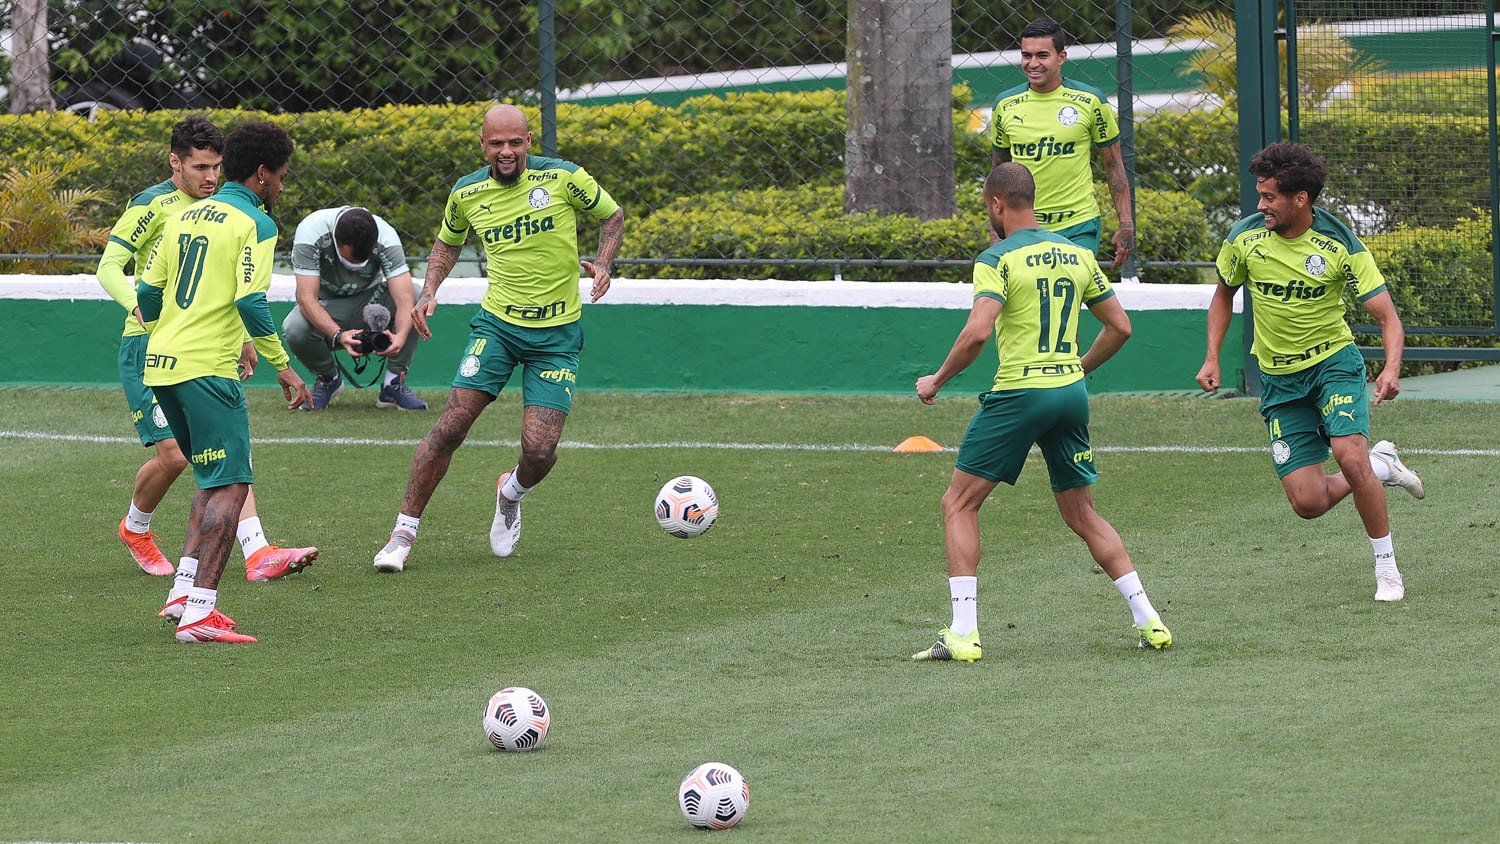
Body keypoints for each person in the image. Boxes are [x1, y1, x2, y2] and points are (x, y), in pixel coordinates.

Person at [912, 163, 1171, 662]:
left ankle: (963, 634)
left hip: (1020, 394)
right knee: (1083, 513)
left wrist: (937, 380)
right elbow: (1120, 327)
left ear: (995, 204)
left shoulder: (996, 259)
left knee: (959, 504)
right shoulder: (1077, 253)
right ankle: (1150, 621)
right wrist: (1076, 368)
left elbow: (978, 332)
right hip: (1070, 394)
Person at [373, 104, 624, 573]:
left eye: (514, 143)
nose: (505, 151)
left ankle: (510, 492)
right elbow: (448, 243)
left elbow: (612, 216)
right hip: (498, 328)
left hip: (556, 335)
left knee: (540, 450)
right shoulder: (467, 192)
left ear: (529, 142)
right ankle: (402, 534)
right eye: (496, 143)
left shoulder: (566, 178)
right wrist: (428, 291)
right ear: (483, 145)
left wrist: (605, 261)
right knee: (450, 426)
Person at [1195, 141, 1425, 602]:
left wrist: (1391, 368)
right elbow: (1223, 295)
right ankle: (1382, 466)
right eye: (1258, 195)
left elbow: (1387, 317)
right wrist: (1213, 355)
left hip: (1332, 366)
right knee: (1308, 503)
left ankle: (1387, 570)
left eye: (1269, 197)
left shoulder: (1339, 242)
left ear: (1300, 198)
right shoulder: (1245, 237)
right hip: (1280, 380)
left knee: (1348, 456)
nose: (1260, 206)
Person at [96, 115, 317, 584]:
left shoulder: (221, 208)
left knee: (224, 452)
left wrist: (238, 338)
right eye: (199, 167)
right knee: (179, 456)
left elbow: (219, 286)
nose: (210, 177)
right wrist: (139, 309)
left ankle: (255, 552)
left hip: (198, 348)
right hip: (149, 344)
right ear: (176, 163)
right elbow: (111, 267)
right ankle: (138, 529)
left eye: (217, 166)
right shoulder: (153, 206)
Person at [991, 18, 1133, 267]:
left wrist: (1126, 224)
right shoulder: (1004, 104)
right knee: (1028, 303)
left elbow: (1114, 166)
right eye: (1026, 55)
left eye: (1042, 55)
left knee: (1068, 300)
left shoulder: (1090, 101)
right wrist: (995, 228)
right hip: (1022, 226)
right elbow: (998, 172)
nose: (1033, 64)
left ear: (1062, 56)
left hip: (1078, 225)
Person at [282, 205, 428, 410]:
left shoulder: (386, 236)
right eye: (349, 260)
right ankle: (328, 378)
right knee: (294, 326)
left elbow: (404, 299)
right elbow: (306, 298)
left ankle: (394, 383)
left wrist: (400, 337)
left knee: (417, 296)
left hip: (372, 302)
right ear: (334, 237)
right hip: (326, 306)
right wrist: (338, 334)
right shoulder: (311, 232)